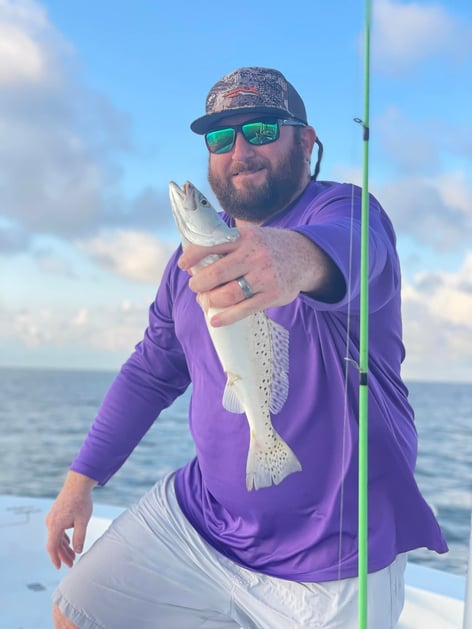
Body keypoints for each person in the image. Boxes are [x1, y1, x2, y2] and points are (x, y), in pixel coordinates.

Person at [46, 67, 447, 628]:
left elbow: (351, 252)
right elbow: (150, 372)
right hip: (203, 520)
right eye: (220, 137)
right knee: (76, 612)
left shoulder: (348, 214)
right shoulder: (187, 261)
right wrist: (78, 483)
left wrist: (290, 258)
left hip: (334, 556)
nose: (239, 150)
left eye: (261, 129)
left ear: (306, 143)